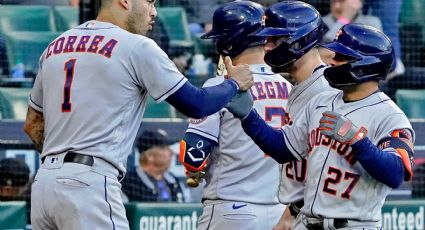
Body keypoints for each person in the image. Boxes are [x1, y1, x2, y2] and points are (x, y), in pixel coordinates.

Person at [23, 0, 254, 229]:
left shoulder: (55, 45)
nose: (154, 12)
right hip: (89, 183)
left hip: (44, 184)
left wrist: (61, 165)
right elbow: (197, 104)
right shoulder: (136, 46)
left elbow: (32, 125)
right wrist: (234, 84)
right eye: (150, 2)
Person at [226, 23, 415, 229]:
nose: (332, 60)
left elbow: (396, 174)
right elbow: (283, 148)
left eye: (342, 57)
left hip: (355, 225)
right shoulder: (321, 101)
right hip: (307, 222)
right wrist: (249, 116)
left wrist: (357, 141)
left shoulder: (390, 116)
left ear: (365, 66)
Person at [179, 1, 290, 229]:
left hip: (232, 210)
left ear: (228, 43)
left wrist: (194, 170)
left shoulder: (222, 86)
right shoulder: (289, 88)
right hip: (280, 213)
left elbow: (194, 154)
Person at [252, 2, 334, 230]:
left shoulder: (324, 91)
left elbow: (326, 166)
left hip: (319, 216)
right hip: (303, 211)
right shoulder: (301, 84)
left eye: (274, 40)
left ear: (300, 40)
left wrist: (292, 213)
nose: (266, 47)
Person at [121, 130, 184, 202]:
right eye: (164, 148)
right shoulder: (129, 182)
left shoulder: (173, 181)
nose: (171, 152)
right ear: (149, 156)